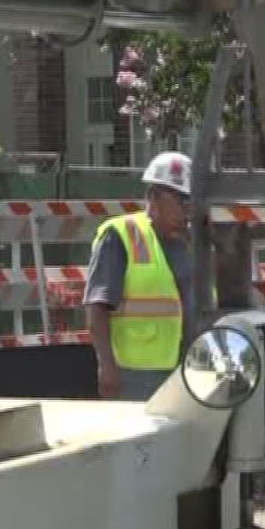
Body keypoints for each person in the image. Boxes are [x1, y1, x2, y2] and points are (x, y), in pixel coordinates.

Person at [85, 151, 195, 400]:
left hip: (186, 369)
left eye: (192, 202)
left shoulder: (192, 242)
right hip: (134, 374)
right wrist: (107, 366)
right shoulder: (121, 234)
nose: (187, 211)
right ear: (153, 197)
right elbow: (97, 308)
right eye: (181, 201)